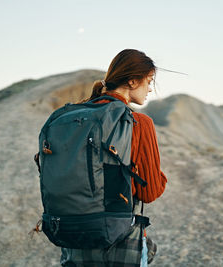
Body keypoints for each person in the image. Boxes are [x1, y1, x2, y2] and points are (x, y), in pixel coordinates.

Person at [60, 49, 167, 266]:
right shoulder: (138, 123)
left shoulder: (72, 118)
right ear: (132, 81)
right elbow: (150, 191)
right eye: (149, 81)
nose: (150, 89)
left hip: (73, 240)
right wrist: (156, 175)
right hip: (118, 239)